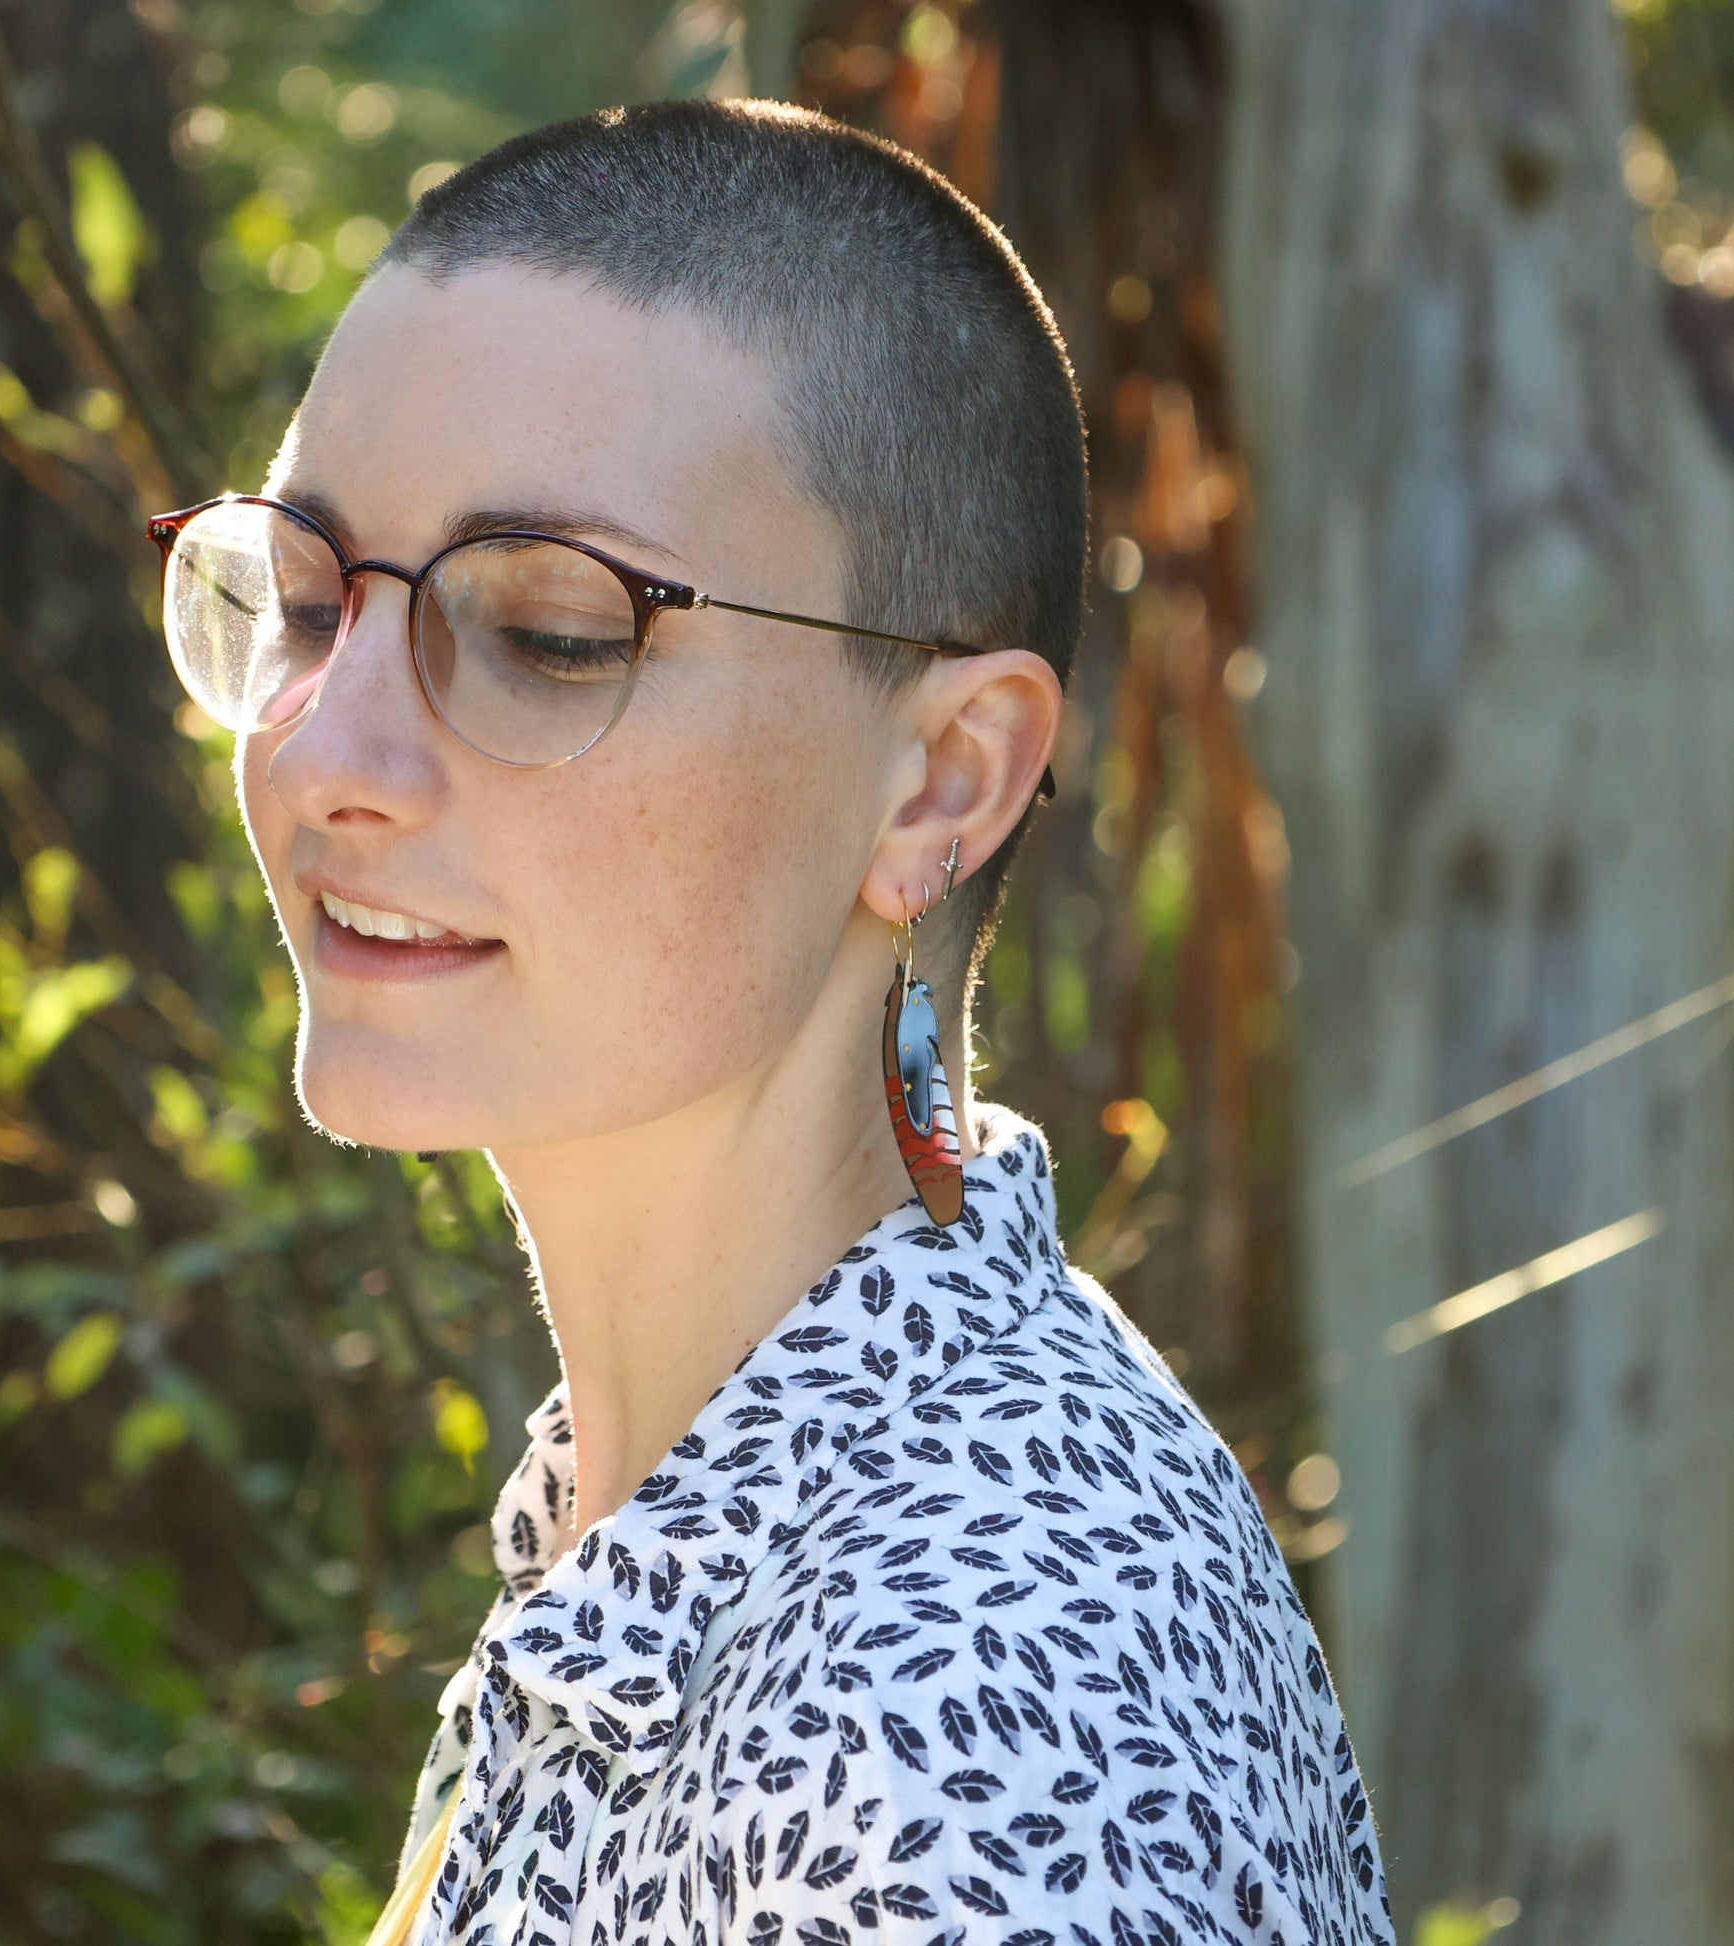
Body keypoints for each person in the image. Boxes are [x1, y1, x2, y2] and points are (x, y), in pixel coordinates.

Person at [148, 98, 1393, 1946]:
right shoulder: (700, 1490)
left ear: (940, 785)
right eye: (313, 596)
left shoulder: (959, 1728)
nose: (326, 752)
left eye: (554, 631)